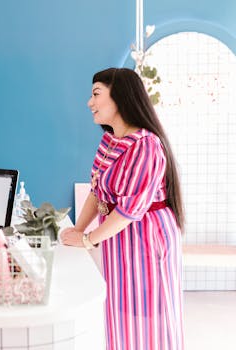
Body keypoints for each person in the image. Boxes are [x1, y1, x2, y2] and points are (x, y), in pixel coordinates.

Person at [60, 68, 184, 350]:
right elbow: (96, 190)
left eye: (96, 94)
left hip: (147, 238)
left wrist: (88, 239)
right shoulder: (110, 141)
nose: (89, 103)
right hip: (119, 237)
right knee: (122, 311)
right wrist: (79, 230)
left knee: (150, 315)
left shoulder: (147, 145)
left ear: (121, 96)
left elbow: (129, 210)